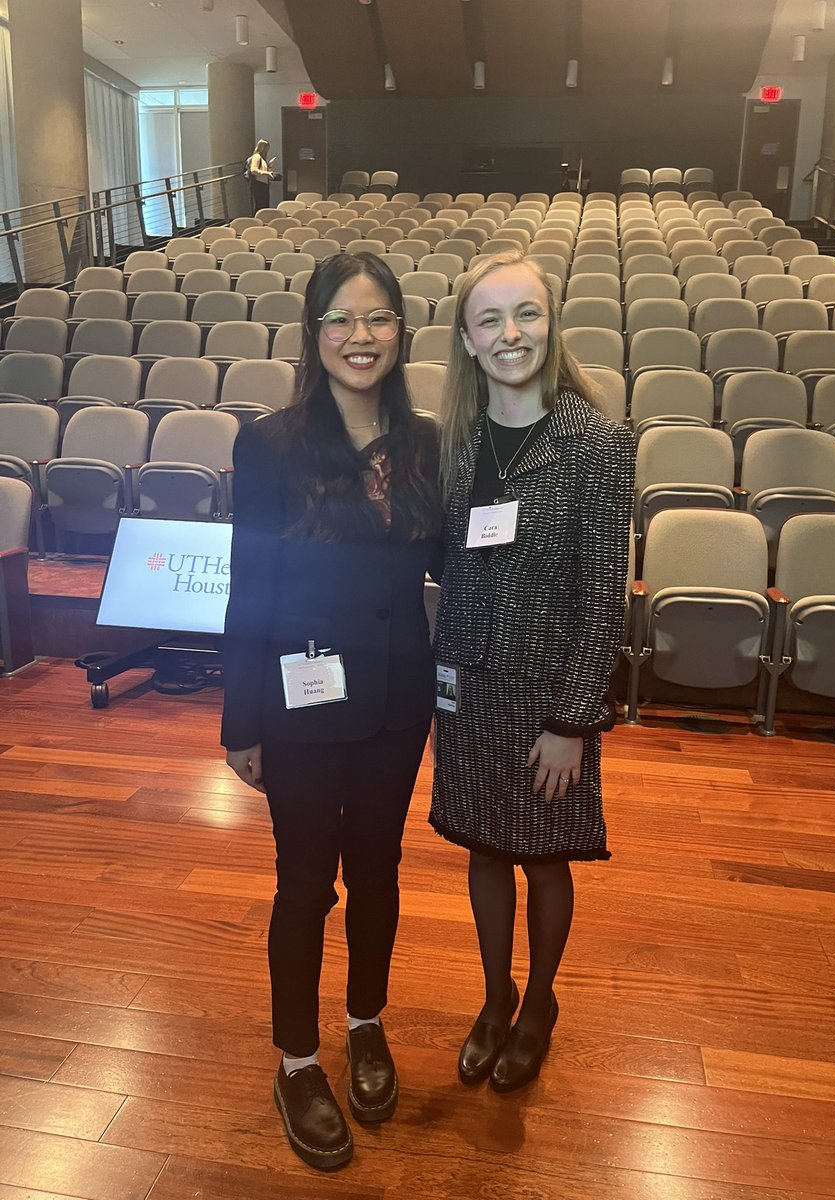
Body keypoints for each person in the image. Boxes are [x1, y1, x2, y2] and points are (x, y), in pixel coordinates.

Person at [222, 252, 442, 1170]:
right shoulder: (271, 441)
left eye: (379, 317)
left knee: (380, 874)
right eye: (342, 320)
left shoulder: (426, 439)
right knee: (306, 885)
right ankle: (298, 1060)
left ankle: (365, 1022)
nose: (362, 336)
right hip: (300, 700)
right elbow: (251, 581)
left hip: (396, 700)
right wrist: (241, 720)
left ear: (402, 329)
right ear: (315, 335)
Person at [430, 250, 634, 1093]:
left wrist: (572, 721)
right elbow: (446, 566)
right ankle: (494, 996)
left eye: (526, 315)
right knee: (483, 850)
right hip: (467, 689)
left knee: (544, 858)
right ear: (469, 342)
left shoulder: (599, 441)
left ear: (550, 326)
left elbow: (602, 598)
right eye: (490, 320)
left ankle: (540, 1001)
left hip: (550, 698)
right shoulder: (455, 443)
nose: (510, 334)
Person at [247, 138, 278, 212]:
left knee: (264, 206)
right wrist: (267, 173)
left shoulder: (262, 158)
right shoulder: (257, 157)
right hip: (259, 184)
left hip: (263, 183)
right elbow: (253, 170)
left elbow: (262, 169)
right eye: (266, 149)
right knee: (260, 206)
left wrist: (269, 166)